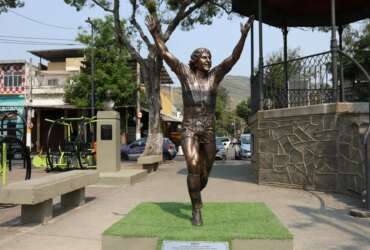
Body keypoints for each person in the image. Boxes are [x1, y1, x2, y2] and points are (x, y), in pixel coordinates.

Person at [146, 15, 254, 226]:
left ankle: (195, 188)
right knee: (193, 166)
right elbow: (166, 54)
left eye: (210, 57)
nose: (208, 60)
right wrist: (155, 33)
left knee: (203, 174)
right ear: (195, 60)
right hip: (189, 130)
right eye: (204, 57)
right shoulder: (185, 74)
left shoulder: (215, 76)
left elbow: (233, 58)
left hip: (209, 131)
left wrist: (243, 36)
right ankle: (197, 209)